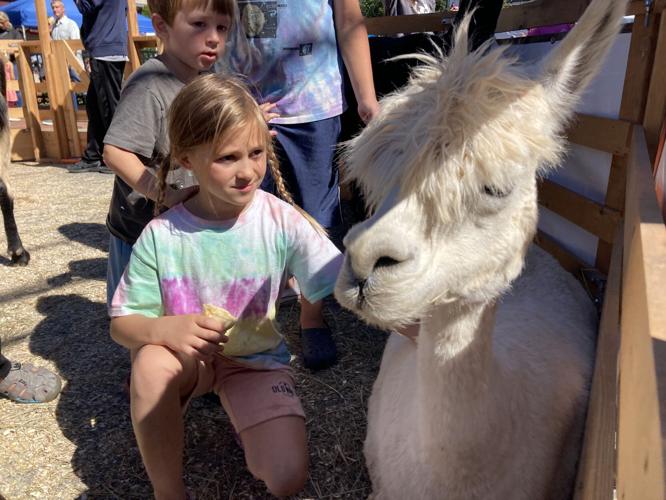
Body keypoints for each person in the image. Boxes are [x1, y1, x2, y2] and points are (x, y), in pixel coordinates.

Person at [109, 74, 343, 499]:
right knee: (149, 366)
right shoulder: (163, 234)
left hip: (254, 362)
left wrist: (407, 316)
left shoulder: (279, 219)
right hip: (186, 362)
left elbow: (339, 279)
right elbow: (121, 324)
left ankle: (247, 416)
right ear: (185, 158)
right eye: (227, 158)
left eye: (256, 152)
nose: (248, 171)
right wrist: (165, 330)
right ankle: (168, 490)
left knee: (286, 477)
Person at [224, 0, 380, 370]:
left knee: (315, 215)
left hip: (314, 102)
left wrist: (367, 99)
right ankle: (250, 317)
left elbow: (348, 17)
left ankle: (312, 315)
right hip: (242, 101)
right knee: (243, 216)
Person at [102, 0, 234, 314]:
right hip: (141, 229)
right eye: (200, 25)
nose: (214, 37)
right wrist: (164, 194)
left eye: (222, 27)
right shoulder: (151, 85)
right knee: (142, 319)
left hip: (181, 222)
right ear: (162, 27)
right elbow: (115, 152)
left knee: (185, 311)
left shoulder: (205, 79)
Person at [68, 0, 127, 174]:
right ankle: (93, 155)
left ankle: (118, 157)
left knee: (108, 106)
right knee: (95, 106)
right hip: (109, 47)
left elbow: (85, 6)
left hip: (105, 49)